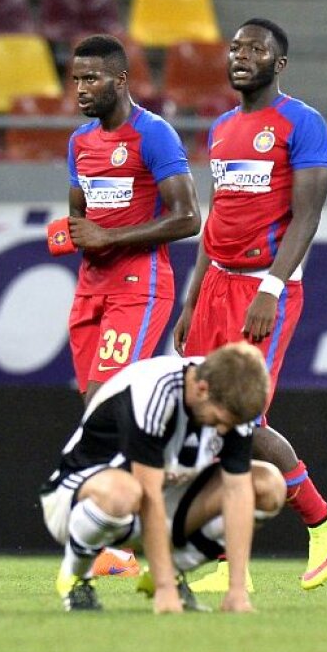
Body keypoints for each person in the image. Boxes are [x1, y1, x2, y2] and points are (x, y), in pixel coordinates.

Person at [173, 18, 327, 591]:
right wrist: (191, 297)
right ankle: (227, 562)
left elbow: (308, 216)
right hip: (217, 285)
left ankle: (322, 521)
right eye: (235, 47)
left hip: (263, 287)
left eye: (256, 49)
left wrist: (271, 289)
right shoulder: (223, 128)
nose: (240, 55)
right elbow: (219, 219)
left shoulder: (303, 123)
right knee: (205, 417)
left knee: (241, 420)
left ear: (279, 64)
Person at [40, 342, 285, 614]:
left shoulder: (227, 392)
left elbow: (237, 492)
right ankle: (76, 576)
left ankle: (175, 568)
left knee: (268, 485)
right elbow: (149, 496)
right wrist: (164, 587)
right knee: (125, 492)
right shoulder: (155, 390)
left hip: (156, 502)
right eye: (219, 421)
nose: (223, 430)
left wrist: (237, 592)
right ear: (202, 390)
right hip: (77, 500)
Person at [51, 34, 201, 404]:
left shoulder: (154, 133)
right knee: (93, 409)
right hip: (90, 286)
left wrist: (108, 237)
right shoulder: (80, 142)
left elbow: (188, 218)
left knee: (108, 402)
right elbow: (80, 211)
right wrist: (72, 233)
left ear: (120, 80)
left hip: (138, 285)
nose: (80, 90)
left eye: (91, 79)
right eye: (76, 80)